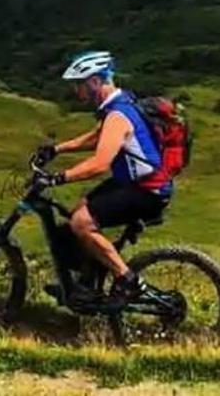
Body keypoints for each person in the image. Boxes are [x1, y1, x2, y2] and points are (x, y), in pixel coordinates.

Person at [35, 50, 172, 304]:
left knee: (81, 223)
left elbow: (99, 164)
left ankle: (126, 279)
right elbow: (97, 137)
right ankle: (88, 281)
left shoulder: (118, 115)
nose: (77, 91)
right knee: (79, 209)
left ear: (95, 82)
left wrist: (57, 179)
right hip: (134, 183)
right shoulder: (118, 107)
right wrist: (57, 149)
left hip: (146, 191)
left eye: (79, 84)